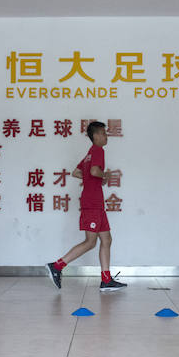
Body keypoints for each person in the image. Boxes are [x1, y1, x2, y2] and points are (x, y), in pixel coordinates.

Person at [46, 121, 126, 291]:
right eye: (104, 134)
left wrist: (91, 179)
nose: (106, 137)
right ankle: (57, 266)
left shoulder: (89, 153)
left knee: (106, 239)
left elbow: (76, 172)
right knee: (90, 242)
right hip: (92, 202)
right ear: (96, 136)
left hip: (96, 202)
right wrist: (105, 175)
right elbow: (94, 171)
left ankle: (106, 280)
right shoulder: (98, 150)